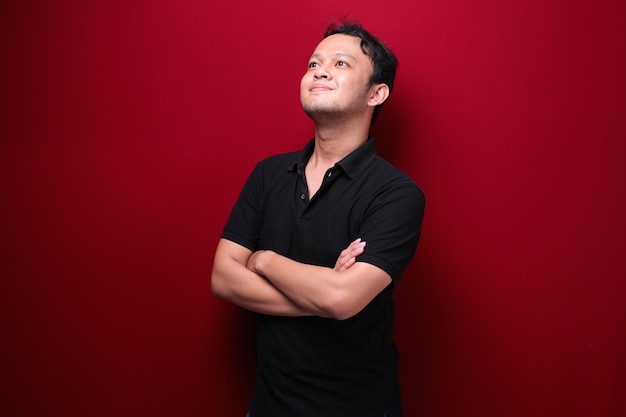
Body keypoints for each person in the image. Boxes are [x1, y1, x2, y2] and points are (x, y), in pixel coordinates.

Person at [211, 21, 425, 417]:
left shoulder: (397, 194)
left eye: (341, 63)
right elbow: (223, 278)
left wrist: (263, 260)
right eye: (314, 63)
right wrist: (321, 293)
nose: (320, 71)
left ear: (376, 93)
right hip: (269, 406)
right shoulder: (268, 174)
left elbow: (341, 298)